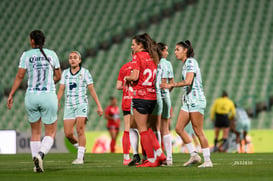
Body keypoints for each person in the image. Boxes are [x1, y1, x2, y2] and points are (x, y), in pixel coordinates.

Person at [7, 30, 62, 172]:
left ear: (32, 41)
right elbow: (58, 76)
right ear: (43, 41)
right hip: (48, 95)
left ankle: (36, 165)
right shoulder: (52, 54)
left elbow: (20, 76)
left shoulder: (26, 55)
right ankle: (40, 154)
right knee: (50, 132)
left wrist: (11, 94)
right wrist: (51, 82)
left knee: (35, 132)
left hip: (31, 96)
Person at [161, 40, 213, 168]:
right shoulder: (185, 64)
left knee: (198, 130)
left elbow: (188, 81)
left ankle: (207, 160)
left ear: (186, 50)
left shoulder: (190, 62)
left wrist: (171, 84)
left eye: (177, 49)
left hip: (196, 100)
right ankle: (194, 155)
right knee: (179, 128)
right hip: (188, 101)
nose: (175, 52)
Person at [124, 33, 166, 167]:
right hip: (152, 96)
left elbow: (135, 76)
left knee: (142, 129)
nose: (132, 47)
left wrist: (127, 78)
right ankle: (160, 153)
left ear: (140, 45)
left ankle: (152, 159)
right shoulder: (153, 56)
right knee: (147, 128)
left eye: (133, 44)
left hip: (141, 95)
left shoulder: (137, 56)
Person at [57, 51, 103, 164]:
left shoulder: (85, 73)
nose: (72, 59)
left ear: (79, 60)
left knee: (80, 130)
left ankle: (80, 158)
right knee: (68, 133)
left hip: (81, 104)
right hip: (69, 105)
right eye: (70, 58)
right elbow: (61, 89)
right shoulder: (65, 73)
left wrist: (99, 105)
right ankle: (81, 147)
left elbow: (91, 89)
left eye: (75, 57)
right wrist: (56, 101)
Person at [116, 56, 140, 165]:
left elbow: (118, 86)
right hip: (138, 99)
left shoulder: (124, 67)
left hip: (126, 99)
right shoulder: (141, 67)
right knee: (143, 128)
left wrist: (126, 86)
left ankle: (126, 158)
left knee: (127, 129)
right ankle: (144, 155)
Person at [154, 42, 174, 166]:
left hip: (156, 96)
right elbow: (171, 83)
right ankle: (170, 158)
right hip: (166, 96)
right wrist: (167, 90)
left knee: (156, 127)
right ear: (161, 51)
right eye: (166, 50)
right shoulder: (168, 64)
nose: (167, 53)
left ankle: (159, 157)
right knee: (165, 128)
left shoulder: (154, 63)